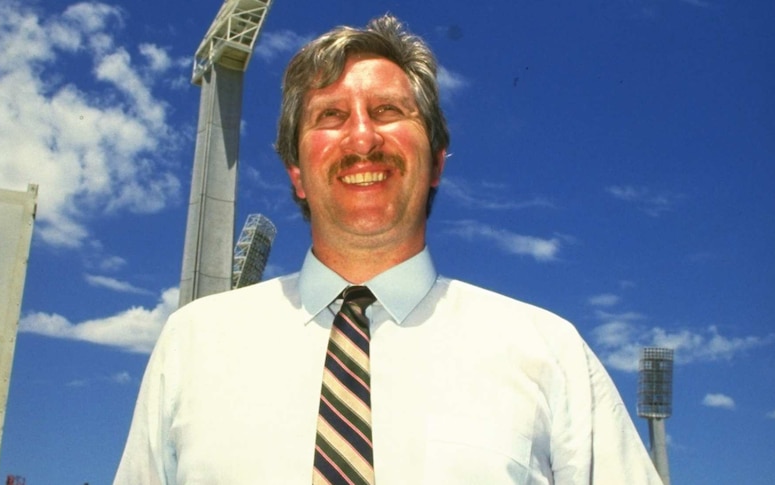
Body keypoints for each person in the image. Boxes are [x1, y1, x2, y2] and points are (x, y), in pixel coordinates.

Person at [114, 14, 663, 484]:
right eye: (330, 116)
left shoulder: (550, 355)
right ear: (296, 173)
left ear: (437, 162)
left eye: (388, 111)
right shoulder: (191, 348)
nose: (361, 139)